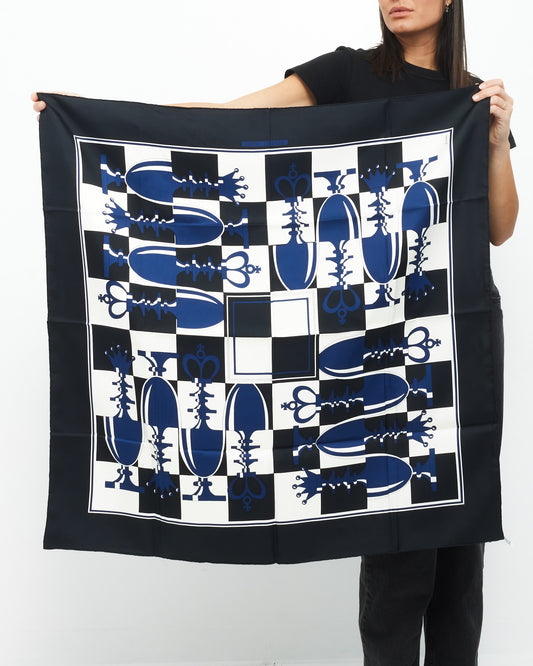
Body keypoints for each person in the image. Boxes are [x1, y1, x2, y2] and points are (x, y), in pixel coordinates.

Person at [32, 1, 519, 664]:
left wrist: (493, 140)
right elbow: (231, 118)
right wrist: (89, 117)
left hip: (452, 336)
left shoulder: (470, 96)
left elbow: (497, 227)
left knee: (460, 551)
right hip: (360, 339)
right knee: (395, 539)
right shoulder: (348, 73)